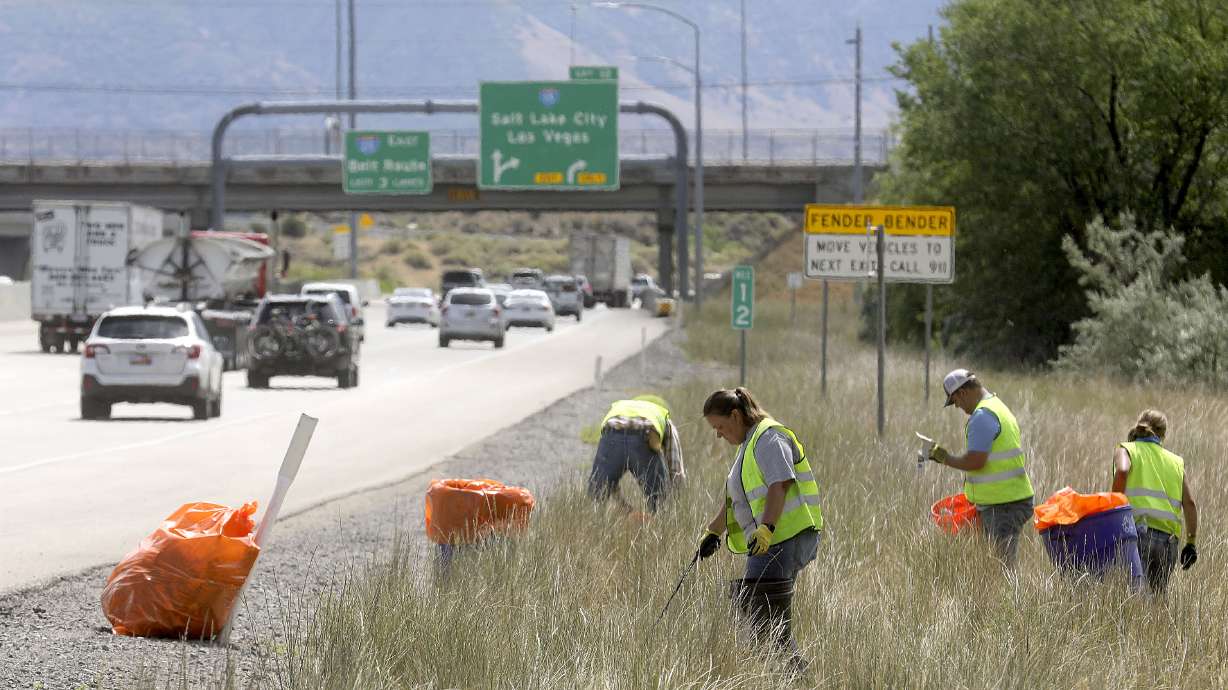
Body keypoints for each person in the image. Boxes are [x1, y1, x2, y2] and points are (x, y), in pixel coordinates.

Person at [696, 387, 822, 670]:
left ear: (736, 415)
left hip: (782, 540)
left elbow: (781, 483)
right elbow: (735, 497)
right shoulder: (749, 444)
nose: (718, 434)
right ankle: (786, 676)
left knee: (763, 621)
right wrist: (714, 531)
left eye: (720, 426)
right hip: (768, 543)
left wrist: (766, 528)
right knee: (760, 618)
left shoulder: (769, 438)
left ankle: (793, 676)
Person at [927, 369, 1035, 567]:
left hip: (1004, 504)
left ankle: (1013, 598)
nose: (957, 407)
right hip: (1007, 500)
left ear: (961, 393)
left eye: (955, 402)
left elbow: (975, 462)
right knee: (997, 564)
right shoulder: (996, 406)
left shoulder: (982, 416)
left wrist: (943, 457)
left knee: (1003, 567)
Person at [1111, 409, 1198, 594]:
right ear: (1163, 435)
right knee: (1159, 600)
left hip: (1138, 535)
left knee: (1136, 599)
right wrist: (1191, 543)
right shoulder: (1175, 462)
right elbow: (1190, 503)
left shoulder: (1126, 449)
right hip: (1168, 541)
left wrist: (1113, 509)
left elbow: (1122, 470)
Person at [586, 395, 684, 514]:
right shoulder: (664, 418)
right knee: (658, 500)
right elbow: (676, 469)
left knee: (597, 494)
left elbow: (608, 478)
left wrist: (623, 505)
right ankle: (660, 525)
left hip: (611, 430)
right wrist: (676, 501)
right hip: (645, 434)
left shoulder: (620, 410)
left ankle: (594, 524)